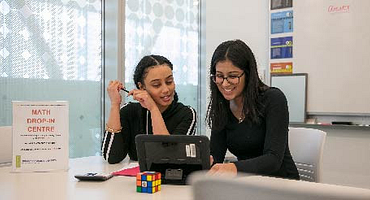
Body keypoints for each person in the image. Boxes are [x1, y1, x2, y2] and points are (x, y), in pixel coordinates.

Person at [206, 39, 299, 180]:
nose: (225, 83)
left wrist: (234, 167)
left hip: (281, 184)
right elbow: (216, 155)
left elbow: (273, 159)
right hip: (247, 184)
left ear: (248, 75)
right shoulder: (222, 105)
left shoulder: (273, 99)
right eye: (219, 76)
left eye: (233, 76)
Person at [102, 55, 197, 164]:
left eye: (169, 81)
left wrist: (153, 108)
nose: (166, 89)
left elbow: (169, 156)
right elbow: (112, 156)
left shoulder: (187, 114)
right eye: (157, 85)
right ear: (141, 87)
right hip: (132, 180)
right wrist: (115, 104)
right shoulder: (129, 111)